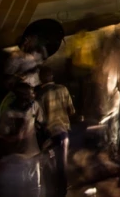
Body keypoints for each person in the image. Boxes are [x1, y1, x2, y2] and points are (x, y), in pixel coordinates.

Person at [37, 66, 74, 197]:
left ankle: (52, 191)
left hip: (49, 135)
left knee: (48, 165)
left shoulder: (40, 94)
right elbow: (71, 111)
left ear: (40, 78)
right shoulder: (63, 89)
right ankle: (62, 191)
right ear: (52, 76)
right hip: (64, 133)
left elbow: (39, 119)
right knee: (62, 164)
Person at [95, 33, 120, 160]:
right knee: (106, 123)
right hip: (104, 99)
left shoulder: (115, 60)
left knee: (113, 124)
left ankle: (112, 148)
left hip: (112, 98)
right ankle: (107, 146)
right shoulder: (103, 60)